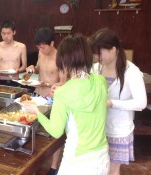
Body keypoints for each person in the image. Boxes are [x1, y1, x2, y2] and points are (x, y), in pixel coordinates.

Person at [24, 33, 109, 175]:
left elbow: (56, 131)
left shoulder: (63, 93)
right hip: (101, 156)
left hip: (77, 159)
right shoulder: (101, 81)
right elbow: (84, 92)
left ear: (64, 60)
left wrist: (37, 112)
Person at [89, 28, 147, 175]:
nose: (96, 56)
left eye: (99, 52)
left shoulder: (131, 71)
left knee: (113, 170)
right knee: (98, 168)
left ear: (113, 49)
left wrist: (112, 103)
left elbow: (141, 102)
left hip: (118, 130)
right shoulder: (96, 68)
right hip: (98, 127)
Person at [25, 27, 65, 174]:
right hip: (37, 94)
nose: (40, 48)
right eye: (38, 46)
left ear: (52, 43)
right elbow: (38, 68)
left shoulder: (61, 57)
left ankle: (54, 167)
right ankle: (34, 163)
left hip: (53, 98)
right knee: (33, 129)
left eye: (43, 46)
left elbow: (64, 82)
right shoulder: (41, 53)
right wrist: (32, 69)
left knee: (55, 133)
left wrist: (48, 84)